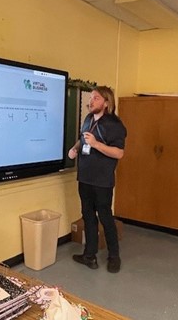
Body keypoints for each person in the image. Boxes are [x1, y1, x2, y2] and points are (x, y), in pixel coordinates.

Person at [68, 86, 126, 273]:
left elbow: (118, 153)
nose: (91, 101)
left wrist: (96, 144)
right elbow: (83, 138)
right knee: (88, 217)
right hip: (85, 178)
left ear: (107, 103)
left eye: (96, 98)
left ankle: (114, 256)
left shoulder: (115, 125)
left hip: (102, 181)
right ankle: (89, 255)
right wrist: (76, 148)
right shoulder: (88, 119)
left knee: (105, 218)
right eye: (91, 98)